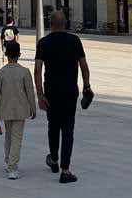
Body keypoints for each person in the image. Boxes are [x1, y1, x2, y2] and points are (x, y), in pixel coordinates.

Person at [34, 11, 92, 184]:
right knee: (68, 130)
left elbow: (37, 70)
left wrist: (40, 94)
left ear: (50, 24)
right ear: (65, 23)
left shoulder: (43, 43)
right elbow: (84, 66)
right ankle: (65, 171)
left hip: (51, 92)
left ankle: (53, 159)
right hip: (69, 92)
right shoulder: (75, 41)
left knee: (53, 127)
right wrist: (87, 86)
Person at [0, 39, 35, 179]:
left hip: (6, 109)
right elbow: (30, 92)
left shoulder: (0, 73)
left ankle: (8, 161)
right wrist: (33, 108)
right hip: (21, 110)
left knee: (8, 137)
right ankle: (12, 167)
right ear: (19, 55)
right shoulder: (25, 72)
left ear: (6, 55)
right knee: (16, 138)